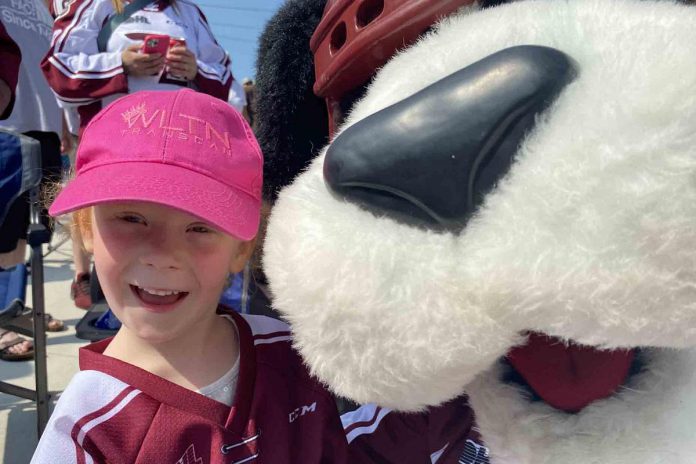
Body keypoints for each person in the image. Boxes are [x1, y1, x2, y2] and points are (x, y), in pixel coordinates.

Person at [31, 89, 348, 463]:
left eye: (200, 228)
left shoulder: (294, 353)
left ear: (242, 248)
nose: (163, 255)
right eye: (132, 218)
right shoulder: (88, 425)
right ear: (86, 228)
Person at [42, 0, 233, 309]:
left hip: (182, 156)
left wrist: (196, 69)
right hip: (115, 153)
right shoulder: (96, 4)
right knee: (121, 246)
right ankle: (106, 314)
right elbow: (58, 69)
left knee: (170, 248)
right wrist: (119, 65)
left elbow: (224, 75)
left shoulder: (190, 12)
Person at [0, 0, 66, 362]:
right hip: (9, 124)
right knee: (4, 231)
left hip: (46, 128)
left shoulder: (46, 8)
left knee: (31, 232)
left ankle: (14, 305)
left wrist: (65, 122)